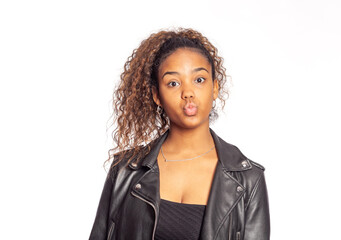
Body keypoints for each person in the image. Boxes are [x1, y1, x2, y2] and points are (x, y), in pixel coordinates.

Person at [89, 28, 270, 240]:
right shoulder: (125, 170)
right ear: (157, 95)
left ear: (215, 88)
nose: (188, 92)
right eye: (173, 83)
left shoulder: (247, 179)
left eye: (199, 80)